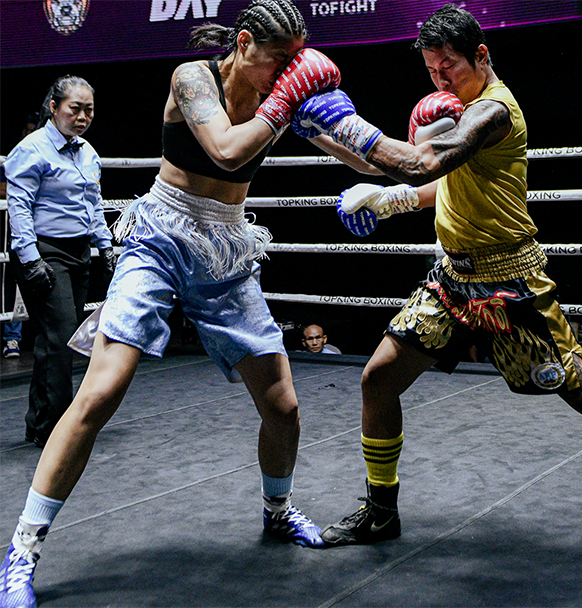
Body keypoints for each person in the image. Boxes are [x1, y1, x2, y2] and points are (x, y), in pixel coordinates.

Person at [0, 1, 349, 605]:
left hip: (226, 244)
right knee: (101, 390)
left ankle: (277, 508)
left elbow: (368, 152)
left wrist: (410, 176)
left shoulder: (282, 94)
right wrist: (288, 101)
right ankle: (23, 551)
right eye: (278, 59)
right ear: (243, 44)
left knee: (284, 406)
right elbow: (226, 150)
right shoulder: (194, 78)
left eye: (297, 60)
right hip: (160, 235)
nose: (288, 70)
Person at [291, 3, 582, 547]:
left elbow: (420, 163)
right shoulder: (452, 109)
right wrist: (320, 136)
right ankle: (380, 512)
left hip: (509, 284)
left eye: (451, 67)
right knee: (377, 379)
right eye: (431, 69)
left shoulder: (493, 113)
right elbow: (413, 173)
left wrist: (345, 123)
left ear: (481, 56)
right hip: (449, 282)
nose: (441, 78)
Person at [3, 78, 115, 449]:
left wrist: (106, 245)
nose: (83, 117)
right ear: (53, 107)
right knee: (62, 337)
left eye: (90, 110)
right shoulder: (30, 150)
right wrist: (31, 259)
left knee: (56, 340)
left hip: (79, 251)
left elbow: (93, 204)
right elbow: (18, 208)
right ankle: (59, 431)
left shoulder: (88, 152)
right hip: (44, 251)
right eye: (75, 109)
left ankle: (39, 423)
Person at [0, 116, 37, 360]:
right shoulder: (13, 158)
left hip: (42, 227)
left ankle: (23, 336)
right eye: (27, 130)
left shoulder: (49, 157)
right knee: (9, 277)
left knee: (35, 278)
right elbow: (4, 189)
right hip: (11, 226)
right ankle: (11, 338)